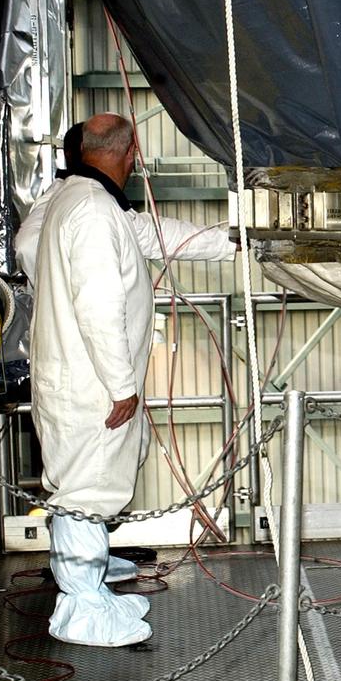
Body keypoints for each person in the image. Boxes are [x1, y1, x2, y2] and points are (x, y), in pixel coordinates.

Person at [25, 113, 236, 646]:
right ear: (131, 151)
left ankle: (89, 584)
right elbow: (99, 306)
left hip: (75, 377)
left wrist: (238, 239)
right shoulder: (93, 211)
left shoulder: (77, 201)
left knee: (83, 485)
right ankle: (82, 610)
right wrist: (122, 385)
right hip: (93, 386)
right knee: (85, 490)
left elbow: (161, 236)